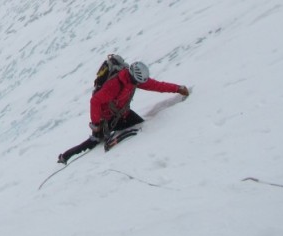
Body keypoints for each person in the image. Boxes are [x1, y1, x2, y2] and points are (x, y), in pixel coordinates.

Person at [57, 59, 189, 164]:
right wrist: (97, 125)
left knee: (142, 125)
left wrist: (177, 88)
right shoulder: (114, 85)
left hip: (122, 114)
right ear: (134, 77)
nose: (139, 84)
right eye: (138, 81)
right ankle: (65, 156)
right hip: (106, 120)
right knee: (94, 141)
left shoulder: (134, 79)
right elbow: (95, 101)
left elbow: (156, 85)